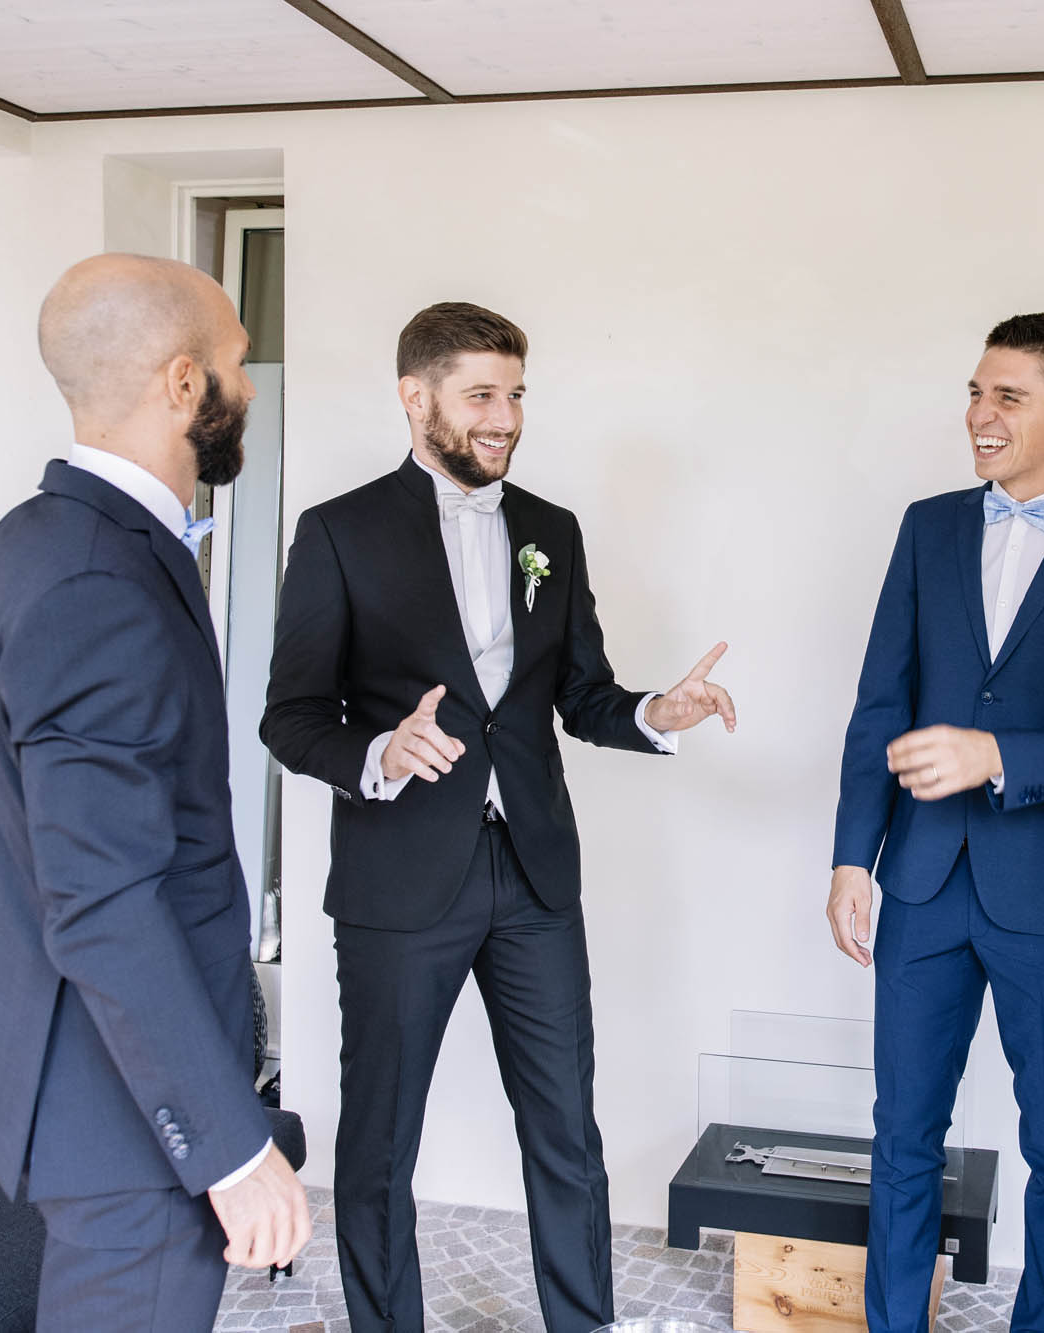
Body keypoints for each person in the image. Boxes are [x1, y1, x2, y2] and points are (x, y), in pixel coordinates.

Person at [260, 301, 736, 1333]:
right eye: (481, 395)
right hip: (398, 878)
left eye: (516, 394)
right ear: (414, 396)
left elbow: (582, 694)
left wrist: (655, 712)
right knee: (379, 1143)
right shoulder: (338, 532)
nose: (506, 417)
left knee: (566, 1130)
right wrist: (379, 753)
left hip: (532, 872)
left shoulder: (549, 532)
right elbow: (289, 716)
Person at [0, 253, 310, 1331]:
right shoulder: (96, 580)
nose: (250, 389)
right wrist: (229, 1145)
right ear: (185, 382)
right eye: (239, 362)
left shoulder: (32, 543)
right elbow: (102, 897)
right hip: (123, 1117)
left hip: (93, 1087)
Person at [830, 314, 1044, 1333]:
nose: (980, 415)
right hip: (921, 881)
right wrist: (852, 858)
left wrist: (999, 757)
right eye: (976, 393)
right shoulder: (925, 528)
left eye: (1008, 397)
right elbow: (878, 706)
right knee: (901, 1135)